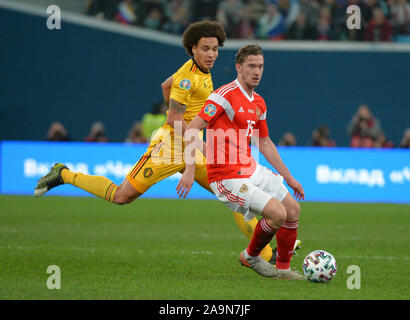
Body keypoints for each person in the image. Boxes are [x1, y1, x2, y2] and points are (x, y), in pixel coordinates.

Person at [34, 21, 280, 265]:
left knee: (235, 194)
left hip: (192, 147)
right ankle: (63, 174)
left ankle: (267, 252)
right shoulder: (187, 78)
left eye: (215, 49)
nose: (211, 54)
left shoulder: (202, 73)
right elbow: (174, 120)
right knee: (122, 196)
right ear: (193, 49)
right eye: (206, 49)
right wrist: (199, 141)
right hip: (170, 148)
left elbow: (165, 85)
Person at [177, 45, 305, 279]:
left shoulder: (259, 102)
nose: (257, 71)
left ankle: (284, 270)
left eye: (260, 66)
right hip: (226, 177)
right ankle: (250, 256)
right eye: (251, 66)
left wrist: (289, 178)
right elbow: (191, 130)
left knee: (292, 210)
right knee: (277, 214)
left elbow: (264, 143)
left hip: (249, 168)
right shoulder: (223, 96)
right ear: (239, 67)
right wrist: (189, 169)